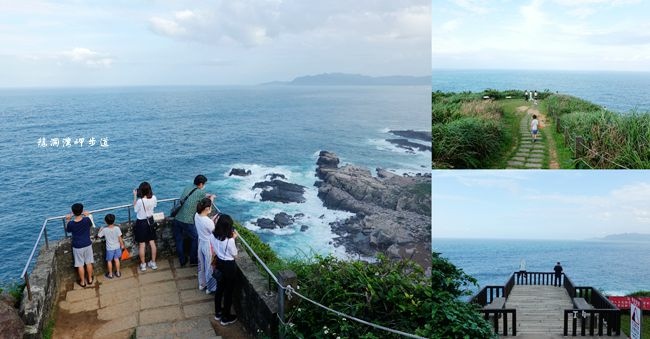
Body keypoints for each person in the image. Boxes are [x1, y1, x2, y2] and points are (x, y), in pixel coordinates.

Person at [173, 175, 216, 267]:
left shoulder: (188, 186)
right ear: (200, 184)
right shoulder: (201, 191)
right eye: (204, 184)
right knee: (196, 238)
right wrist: (211, 198)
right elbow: (206, 205)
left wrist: (205, 194)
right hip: (188, 220)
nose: (204, 186)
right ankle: (193, 260)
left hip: (177, 217)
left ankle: (182, 260)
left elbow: (196, 195)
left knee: (179, 240)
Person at [212, 214, 239, 326]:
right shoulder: (229, 241)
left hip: (219, 263)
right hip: (229, 266)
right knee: (228, 292)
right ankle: (225, 317)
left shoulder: (213, 235)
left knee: (219, 289)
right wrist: (234, 238)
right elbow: (235, 254)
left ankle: (218, 313)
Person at [65, 203, 94, 287]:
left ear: (73, 212)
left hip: (77, 246)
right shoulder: (86, 220)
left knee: (80, 264)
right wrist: (87, 215)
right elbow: (90, 224)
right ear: (82, 211)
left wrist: (67, 220)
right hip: (87, 244)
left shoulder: (71, 224)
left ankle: (82, 282)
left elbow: (68, 230)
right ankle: (90, 279)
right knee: (88, 263)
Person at [133, 181, 158, 272]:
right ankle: (153, 263)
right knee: (152, 243)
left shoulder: (140, 201)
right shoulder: (154, 197)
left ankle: (143, 264)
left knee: (142, 245)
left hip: (141, 222)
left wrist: (135, 195)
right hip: (150, 221)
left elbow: (135, 209)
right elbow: (155, 205)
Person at [195, 197, 217, 293]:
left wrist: (210, 200)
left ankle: (202, 284)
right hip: (208, 244)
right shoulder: (208, 221)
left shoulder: (196, 215)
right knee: (209, 266)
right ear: (207, 209)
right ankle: (210, 287)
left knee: (202, 265)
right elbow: (214, 232)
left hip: (201, 242)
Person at [97, 214, 125, 279]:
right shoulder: (117, 228)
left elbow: (98, 236)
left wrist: (100, 229)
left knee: (109, 261)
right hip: (117, 247)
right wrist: (122, 245)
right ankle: (118, 273)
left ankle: (110, 274)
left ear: (105, 221)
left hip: (110, 248)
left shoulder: (104, 230)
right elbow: (120, 238)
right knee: (116, 259)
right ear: (114, 221)